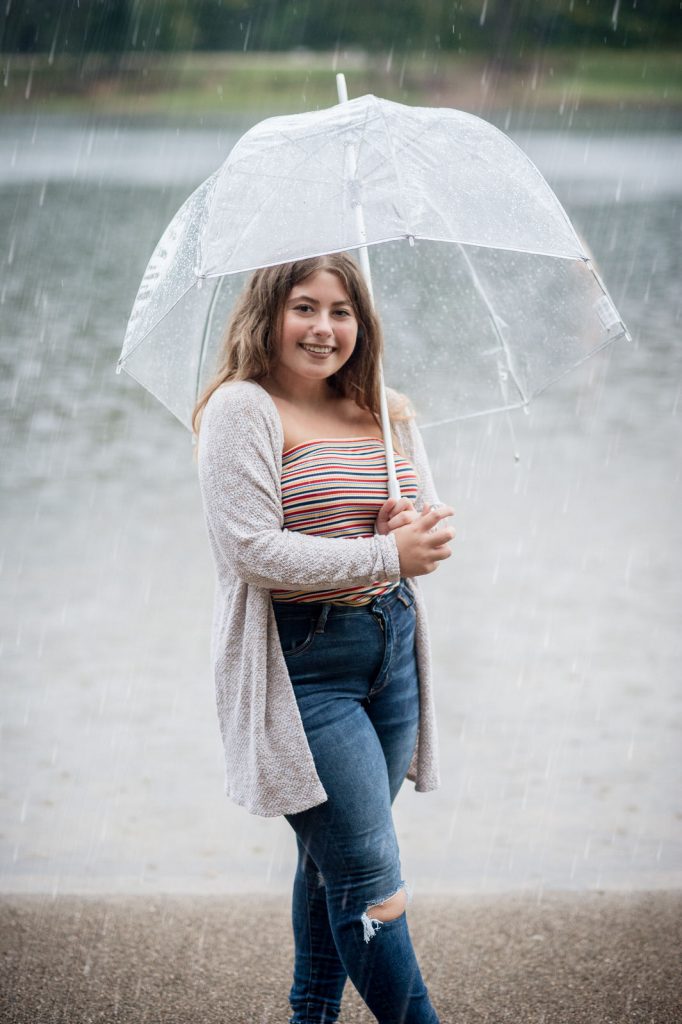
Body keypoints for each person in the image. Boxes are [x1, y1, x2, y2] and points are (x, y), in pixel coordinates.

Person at [192, 253, 454, 1024]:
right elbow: (251, 551)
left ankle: (313, 1015)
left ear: (360, 325)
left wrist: (409, 528)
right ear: (268, 314)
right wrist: (384, 554)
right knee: (373, 879)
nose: (324, 328)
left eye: (342, 311)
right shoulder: (241, 409)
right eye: (305, 307)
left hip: (390, 649)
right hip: (301, 663)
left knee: (332, 862)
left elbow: (429, 535)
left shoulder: (383, 407)